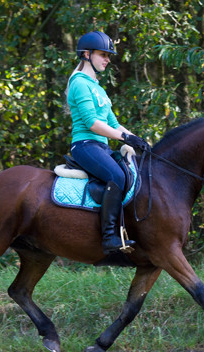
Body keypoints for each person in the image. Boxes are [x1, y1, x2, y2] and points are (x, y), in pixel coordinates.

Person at [65, 31, 150, 255]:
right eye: (103, 54)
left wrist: (136, 139)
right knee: (118, 176)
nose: (107, 59)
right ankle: (110, 237)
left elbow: (113, 123)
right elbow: (92, 123)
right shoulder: (79, 84)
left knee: (131, 172)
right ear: (86, 54)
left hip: (101, 146)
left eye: (108, 55)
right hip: (85, 145)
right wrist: (124, 138)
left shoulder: (98, 87)